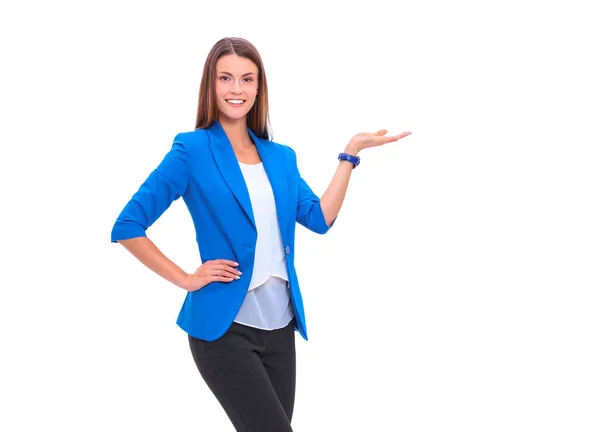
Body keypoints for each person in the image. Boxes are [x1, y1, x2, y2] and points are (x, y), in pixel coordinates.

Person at [110, 36, 411, 431]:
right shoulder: (191, 150)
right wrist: (185, 277)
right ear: (211, 85)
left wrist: (350, 154)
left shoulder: (280, 156)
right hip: (224, 328)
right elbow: (128, 225)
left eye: (247, 79)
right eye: (226, 78)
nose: (237, 89)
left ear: (258, 87)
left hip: (280, 329)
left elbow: (319, 219)